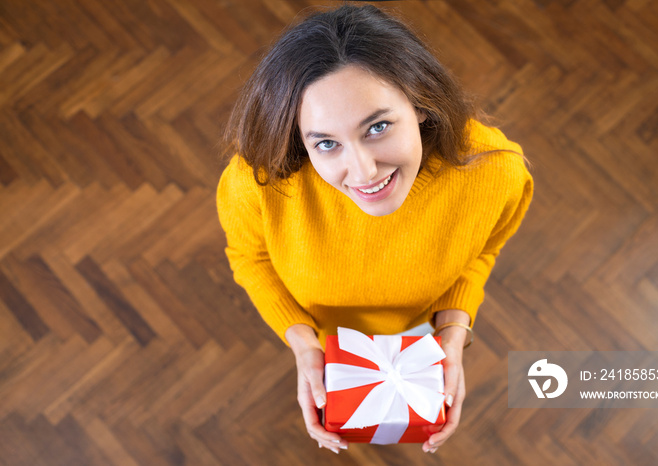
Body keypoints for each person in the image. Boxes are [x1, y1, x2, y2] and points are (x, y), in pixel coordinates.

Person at [216, 4, 533, 455]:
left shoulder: (495, 172)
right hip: (320, 331)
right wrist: (304, 343)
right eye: (327, 143)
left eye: (378, 127)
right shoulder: (258, 180)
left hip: (421, 333)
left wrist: (452, 333)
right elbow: (250, 258)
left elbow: (480, 251)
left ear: (422, 104)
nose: (363, 172)